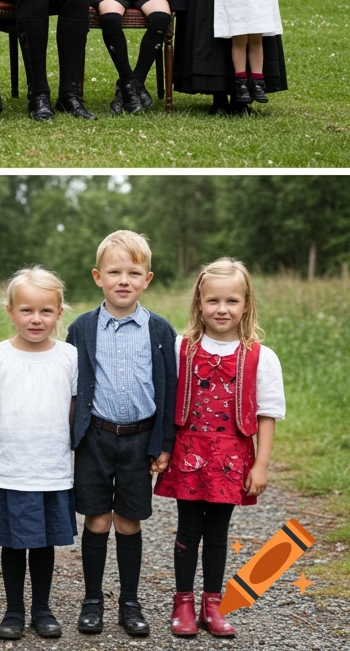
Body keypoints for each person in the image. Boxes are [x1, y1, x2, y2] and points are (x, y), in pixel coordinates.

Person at [155, 258, 284, 638]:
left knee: (217, 532)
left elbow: (267, 415)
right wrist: (161, 449)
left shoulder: (261, 356)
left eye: (231, 301)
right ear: (199, 303)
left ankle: (213, 603)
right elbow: (164, 402)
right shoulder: (181, 348)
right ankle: (183, 603)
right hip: (188, 452)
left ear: (246, 304)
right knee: (188, 527)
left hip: (231, 457)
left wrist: (260, 465)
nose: (222, 309)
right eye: (213, 301)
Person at [65, 230, 177, 637]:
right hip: (95, 436)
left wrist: (163, 444)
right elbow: (72, 386)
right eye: (114, 271)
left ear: (147, 279)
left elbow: (168, 390)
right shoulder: (81, 328)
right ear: (98, 277)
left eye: (134, 272)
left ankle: (129, 601)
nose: (123, 280)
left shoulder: (161, 332)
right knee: (96, 519)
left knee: (129, 521)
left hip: (138, 439)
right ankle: (92, 600)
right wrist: (70, 438)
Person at [0, 267, 77, 640]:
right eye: (26, 310)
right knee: (12, 543)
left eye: (45, 311)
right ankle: (13, 610)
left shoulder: (69, 356)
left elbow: (75, 409)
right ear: (10, 311)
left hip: (49, 468)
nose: (36, 319)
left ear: (59, 313)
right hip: (7, 468)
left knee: (43, 544)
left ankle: (42, 609)